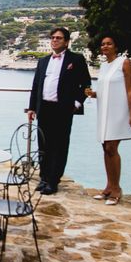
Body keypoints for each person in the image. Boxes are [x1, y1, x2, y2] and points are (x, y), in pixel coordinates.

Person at [27, 27, 91, 195]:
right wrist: (33, 107)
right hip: (44, 108)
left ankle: (54, 180)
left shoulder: (75, 60)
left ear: (67, 41)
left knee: (59, 145)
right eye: (53, 37)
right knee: (43, 144)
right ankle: (44, 178)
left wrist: (77, 103)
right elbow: (36, 86)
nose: (55, 40)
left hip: (62, 109)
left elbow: (85, 84)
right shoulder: (43, 61)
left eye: (59, 38)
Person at [84, 34, 131, 205]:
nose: (105, 46)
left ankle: (117, 189)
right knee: (105, 148)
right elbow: (106, 89)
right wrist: (93, 94)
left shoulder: (124, 63)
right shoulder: (104, 66)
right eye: (103, 44)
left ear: (116, 46)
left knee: (111, 147)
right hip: (104, 110)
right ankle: (108, 186)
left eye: (109, 44)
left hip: (119, 111)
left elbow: (130, 90)